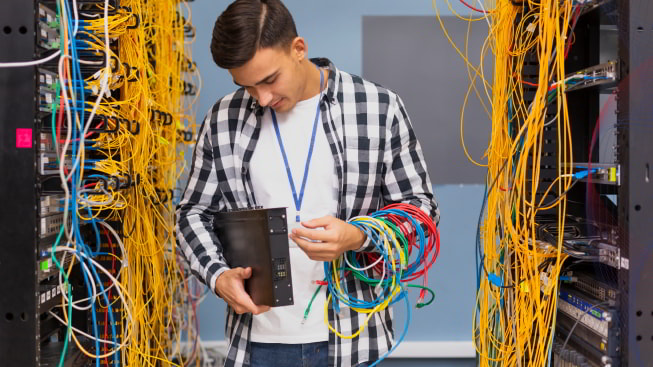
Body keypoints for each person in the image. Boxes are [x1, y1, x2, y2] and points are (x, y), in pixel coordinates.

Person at [176, 1, 439, 366]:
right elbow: (192, 212)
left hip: (354, 341)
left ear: (299, 49)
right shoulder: (223, 118)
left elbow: (421, 209)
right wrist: (218, 276)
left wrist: (358, 236)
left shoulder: (378, 107)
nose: (263, 99)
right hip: (257, 342)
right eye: (247, 87)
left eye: (269, 80)